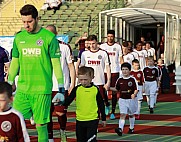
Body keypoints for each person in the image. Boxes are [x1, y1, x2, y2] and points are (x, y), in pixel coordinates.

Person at [8, 4, 64, 142]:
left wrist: (61, 87)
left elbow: (56, 64)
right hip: (23, 90)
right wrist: (9, 83)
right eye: (24, 22)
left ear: (37, 19)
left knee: (41, 125)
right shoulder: (19, 38)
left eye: (29, 21)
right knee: (13, 120)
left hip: (41, 90)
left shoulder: (49, 38)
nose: (26, 25)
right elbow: (15, 62)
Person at [46, 25, 76, 142]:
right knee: (47, 114)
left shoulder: (64, 47)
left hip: (61, 87)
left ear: (56, 33)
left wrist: (72, 83)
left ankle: (62, 131)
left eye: (51, 34)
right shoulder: (43, 47)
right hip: (46, 87)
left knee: (60, 113)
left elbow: (70, 66)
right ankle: (50, 137)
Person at [61, 66, 106, 142]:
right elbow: (68, 100)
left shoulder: (95, 89)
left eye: (85, 79)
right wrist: (60, 102)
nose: (83, 82)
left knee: (91, 140)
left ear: (91, 78)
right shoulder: (77, 89)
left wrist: (103, 118)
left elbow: (101, 104)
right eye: (81, 80)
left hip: (93, 119)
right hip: (80, 120)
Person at [80, 35, 111, 115]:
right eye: (90, 44)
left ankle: (99, 117)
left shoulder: (103, 53)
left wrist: (108, 81)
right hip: (88, 82)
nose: (91, 46)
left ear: (97, 42)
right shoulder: (84, 54)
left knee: (99, 102)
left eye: (93, 43)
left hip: (100, 81)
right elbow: (82, 67)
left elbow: (107, 68)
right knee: (89, 102)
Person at [110, 62, 138, 136]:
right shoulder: (119, 80)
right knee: (123, 114)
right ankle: (120, 129)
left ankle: (131, 128)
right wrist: (109, 88)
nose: (124, 71)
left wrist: (134, 94)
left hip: (131, 100)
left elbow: (136, 89)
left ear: (129, 70)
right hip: (122, 99)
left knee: (131, 114)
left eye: (126, 69)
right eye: (123, 69)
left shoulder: (133, 79)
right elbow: (116, 89)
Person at [100, 30, 123, 119]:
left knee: (114, 91)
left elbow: (121, 59)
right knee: (104, 89)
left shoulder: (117, 46)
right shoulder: (102, 46)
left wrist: (123, 69)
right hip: (104, 71)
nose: (110, 38)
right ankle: (106, 104)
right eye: (108, 36)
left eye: (111, 36)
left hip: (115, 71)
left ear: (114, 37)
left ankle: (113, 111)